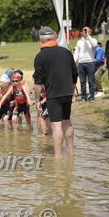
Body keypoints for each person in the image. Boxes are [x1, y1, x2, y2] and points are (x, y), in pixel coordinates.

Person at [33, 26, 78, 158]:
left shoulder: (40, 56)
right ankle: (70, 152)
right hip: (67, 93)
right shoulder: (66, 52)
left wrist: (37, 101)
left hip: (53, 95)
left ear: (41, 39)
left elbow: (38, 83)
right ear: (55, 37)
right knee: (67, 122)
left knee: (56, 125)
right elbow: (75, 74)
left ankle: (58, 156)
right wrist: (72, 91)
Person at [73, 26, 98, 102]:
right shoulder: (79, 42)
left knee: (91, 80)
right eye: (84, 31)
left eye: (86, 30)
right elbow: (77, 53)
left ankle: (91, 96)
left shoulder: (92, 40)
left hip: (90, 62)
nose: (85, 32)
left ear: (90, 31)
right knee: (82, 81)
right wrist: (74, 61)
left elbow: (94, 45)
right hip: (81, 63)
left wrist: (88, 36)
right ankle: (84, 96)